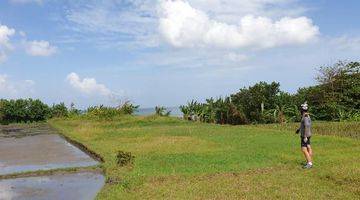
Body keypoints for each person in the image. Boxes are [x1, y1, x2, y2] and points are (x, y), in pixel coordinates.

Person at [296, 102, 313, 169]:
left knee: (304, 149)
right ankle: (310, 161)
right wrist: (299, 129)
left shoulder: (305, 117)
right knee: (308, 147)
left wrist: (305, 136)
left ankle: (309, 163)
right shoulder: (306, 115)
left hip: (305, 135)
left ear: (302, 110)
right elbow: (303, 125)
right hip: (308, 134)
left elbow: (306, 125)